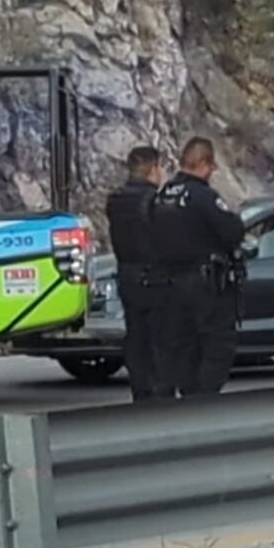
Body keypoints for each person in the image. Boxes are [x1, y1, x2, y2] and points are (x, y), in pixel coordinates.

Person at [150, 137, 246, 398]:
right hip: (204, 285)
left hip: (169, 284)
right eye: (211, 168)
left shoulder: (163, 195)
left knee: (182, 344)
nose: (211, 174)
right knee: (219, 344)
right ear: (204, 163)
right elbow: (233, 231)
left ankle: (187, 394)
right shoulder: (202, 196)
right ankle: (202, 398)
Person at [105, 146, 163, 402]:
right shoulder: (154, 200)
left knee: (136, 336)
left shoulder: (115, 199)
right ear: (153, 169)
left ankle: (140, 391)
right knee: (159, 338)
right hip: (154, 276)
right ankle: (158, 392)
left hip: (126, 273)